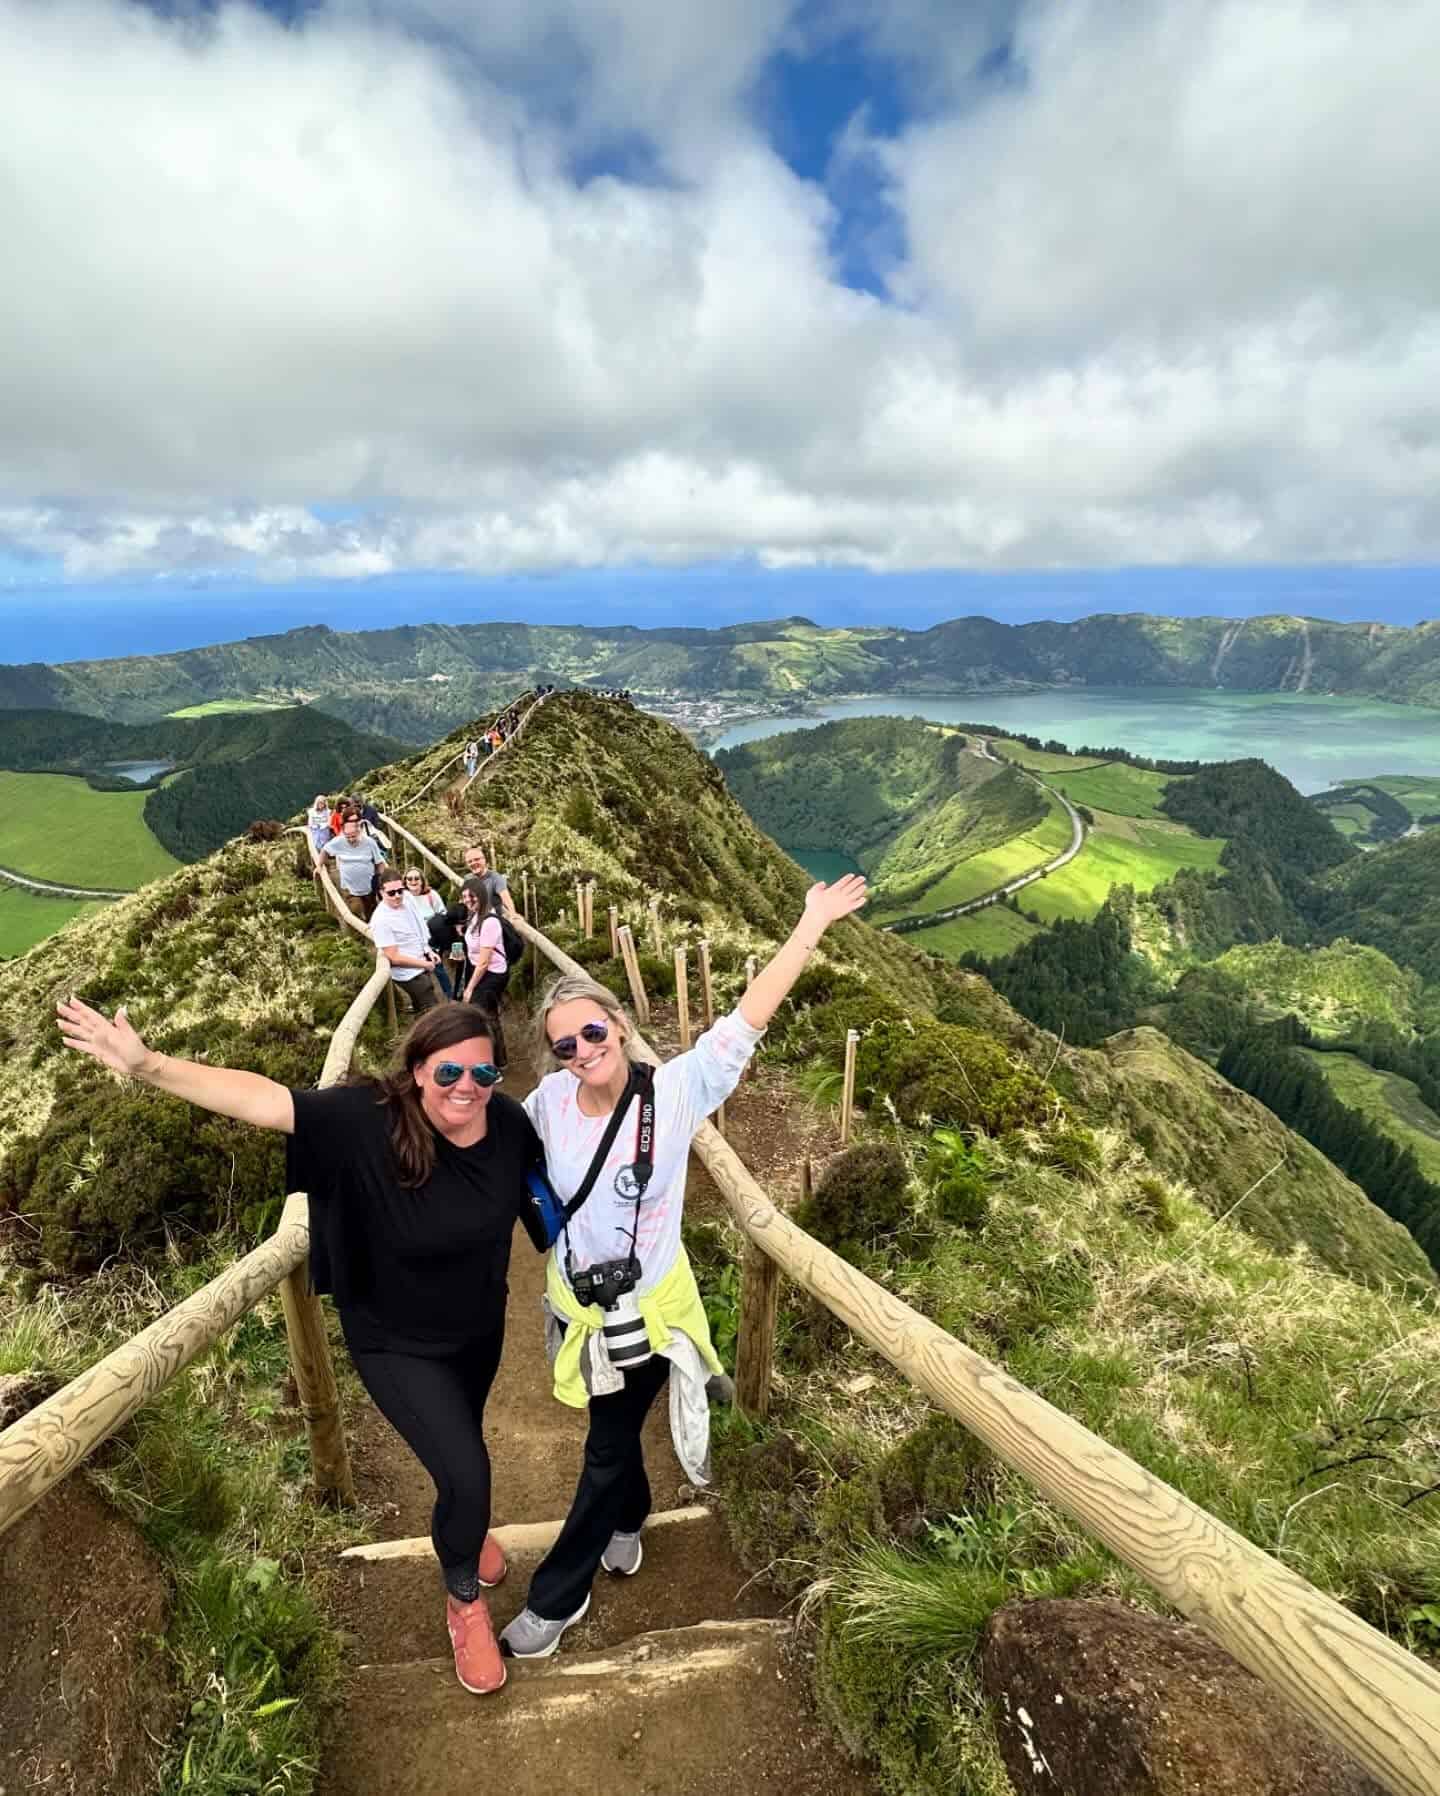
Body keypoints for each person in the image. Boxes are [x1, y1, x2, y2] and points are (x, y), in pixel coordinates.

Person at [54, 995, 547, 1698]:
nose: (467, 1087)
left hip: (477, 1329)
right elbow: (263, 1100)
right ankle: (463, 1596)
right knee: (468, 1474)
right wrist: (148, 1065)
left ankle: (464, 1525)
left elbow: (558, 1176)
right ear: (416, 1070)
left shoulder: (507, 1124)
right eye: (448, 1073)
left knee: (461, 1452)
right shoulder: (366, 1120)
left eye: (483, 1073)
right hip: (394, 1342)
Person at [499, 874, 868, 1660]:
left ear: (620, 1025)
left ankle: (557, 1597)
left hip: (649, 1312)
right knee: (612, 1430)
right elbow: (483, 1151)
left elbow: (748, 1019)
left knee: (605, 1443)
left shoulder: (672, 1093)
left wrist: (810, 924)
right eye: (565, 1046)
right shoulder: (545, 1107)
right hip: (577, 1307)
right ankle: (629, 1518)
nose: (582, 1052)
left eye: (592, 1033)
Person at [370, 869, 444, 1013]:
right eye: (391, 893)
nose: (397, 896)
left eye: (400, 891)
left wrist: (428, 950)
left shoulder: (408, 898)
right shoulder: (380, 920)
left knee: (422, 1005)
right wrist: (425, 964)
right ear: (381, 892)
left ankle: (418, 1013)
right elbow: (394, 957)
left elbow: (418, 926)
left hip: (421, 959)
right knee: (433, 1011)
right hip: (408, 973)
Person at [322, 814, 387, 921]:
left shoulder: (369, 842)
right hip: (349, 888)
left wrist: (384, 880)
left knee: (371, 911)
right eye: (348, 837)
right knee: (355, 909)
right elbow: (325, 850)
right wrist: (319, 865)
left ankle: (371, 927)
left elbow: (379, 862)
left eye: (353, 836)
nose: (351, 839)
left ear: (359, 832)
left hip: (368, 886)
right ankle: (357, 927)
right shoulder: (339, 841)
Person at [461, 876, 509, 1010]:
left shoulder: (489, 922)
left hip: (492, 973)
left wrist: (470, 988)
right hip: (478, 969)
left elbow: (484, 963)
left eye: (471, 896)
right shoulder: (475, 914)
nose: (467, 900)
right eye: (464, 897)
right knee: (486, 1012)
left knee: (481, 1012)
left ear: (481, 895)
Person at [462, 844, 518, 920]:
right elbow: (464, 899)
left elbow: (506, 898)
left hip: (491, 920)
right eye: (470, 861)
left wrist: (513, 914)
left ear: (484, 860)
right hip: (474, 919)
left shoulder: (495, 878)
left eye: (476, 859)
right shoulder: (467, 878)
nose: (473, 863)